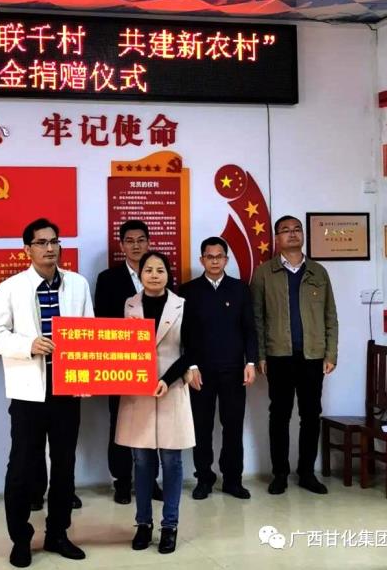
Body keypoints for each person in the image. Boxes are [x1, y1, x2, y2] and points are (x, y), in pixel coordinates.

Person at [0, 218, 93, 568]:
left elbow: (88, 332)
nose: (50, 248)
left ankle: (58, 533)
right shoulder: (10, 288)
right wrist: (28, 345)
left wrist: (87, 378)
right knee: (22, 466)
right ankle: (20, 538)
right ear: (27, 249)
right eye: (41, 242)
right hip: (28, 392)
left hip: (67, 388)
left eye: (54, 241)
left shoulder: (78, 284)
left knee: (64, 465)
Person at [251, 215, 338, 495]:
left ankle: (306, 473)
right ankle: (279, 473)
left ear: (303, 235)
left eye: (297, 229)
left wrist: (331, 353)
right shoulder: (264, 273)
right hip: (278, 355)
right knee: (279, 415)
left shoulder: (318, 272)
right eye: (285, 230)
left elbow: (330, 315)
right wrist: (260, 355)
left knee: (311, 415)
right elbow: (257, 318)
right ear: (276, 238)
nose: (292, 234)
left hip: (313, 356)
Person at [116, 251, 195, 555]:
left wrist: (168, 379)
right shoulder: (129, 304)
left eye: (159, 270)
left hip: (171, 389)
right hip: (137, 392)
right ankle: (143, 523)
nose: (153, 275)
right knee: (142, 461)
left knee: (172, 462)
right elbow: (116, 344)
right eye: (148, 270)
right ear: (140, 274)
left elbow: (192, 350)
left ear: (167, 274)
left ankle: (170, 526)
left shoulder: (182, 305)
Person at [178, 237, 258, 500]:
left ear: (226, 259)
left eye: (219, 256)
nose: (215, 261)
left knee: (232, 427)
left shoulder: (240, 289)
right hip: (200, 371)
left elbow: (249, 329)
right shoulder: (188, 291)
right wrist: (190, 366)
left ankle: (233, 480)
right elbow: (183, 333)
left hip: (233, 370)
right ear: (201, 260)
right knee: (201, 428)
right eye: (209, 257)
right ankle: (204, 478)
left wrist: (250, 362)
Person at [94, 220, 162, 505]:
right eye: (130, 241)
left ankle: (150, 480)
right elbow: (101, 320)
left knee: (151, 421)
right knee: (120, 422)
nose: (136, 245)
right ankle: (121, 481)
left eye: (141, 240)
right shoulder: (108, 278)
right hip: (120, 360)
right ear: (122, 245)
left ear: (149, 243)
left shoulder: (159, 273)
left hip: (155, 360)